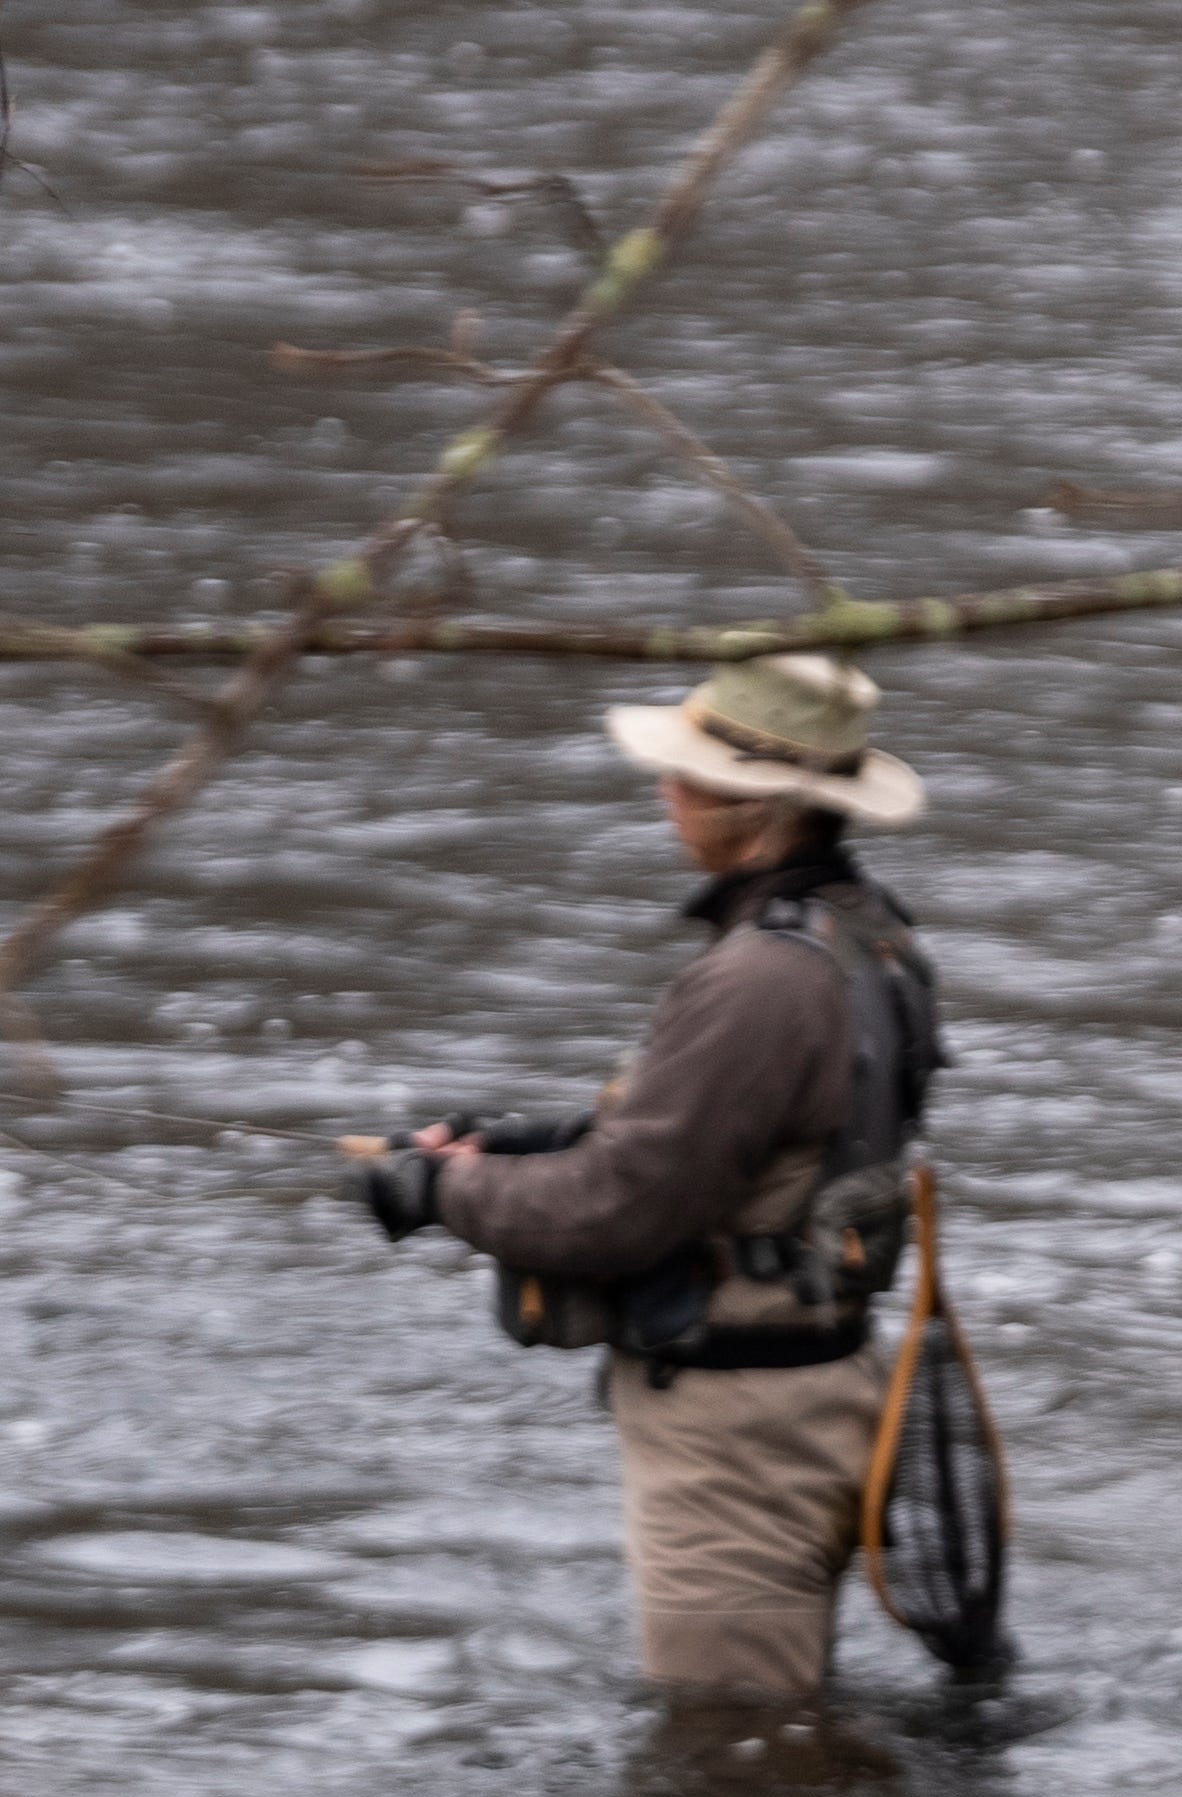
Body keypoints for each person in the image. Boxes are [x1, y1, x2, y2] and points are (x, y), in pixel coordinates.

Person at [351, 651, 940, 1703]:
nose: (663, 792)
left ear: (751, 807)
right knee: (785, 1742)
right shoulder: (866, 936)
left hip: (739, 1439)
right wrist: (522, 1141)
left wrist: (438, 1193)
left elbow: (613, 1214)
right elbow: (743, 1148)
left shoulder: (759, 978)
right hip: (826, 1387)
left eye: (682, 774)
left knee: (726, 1770)